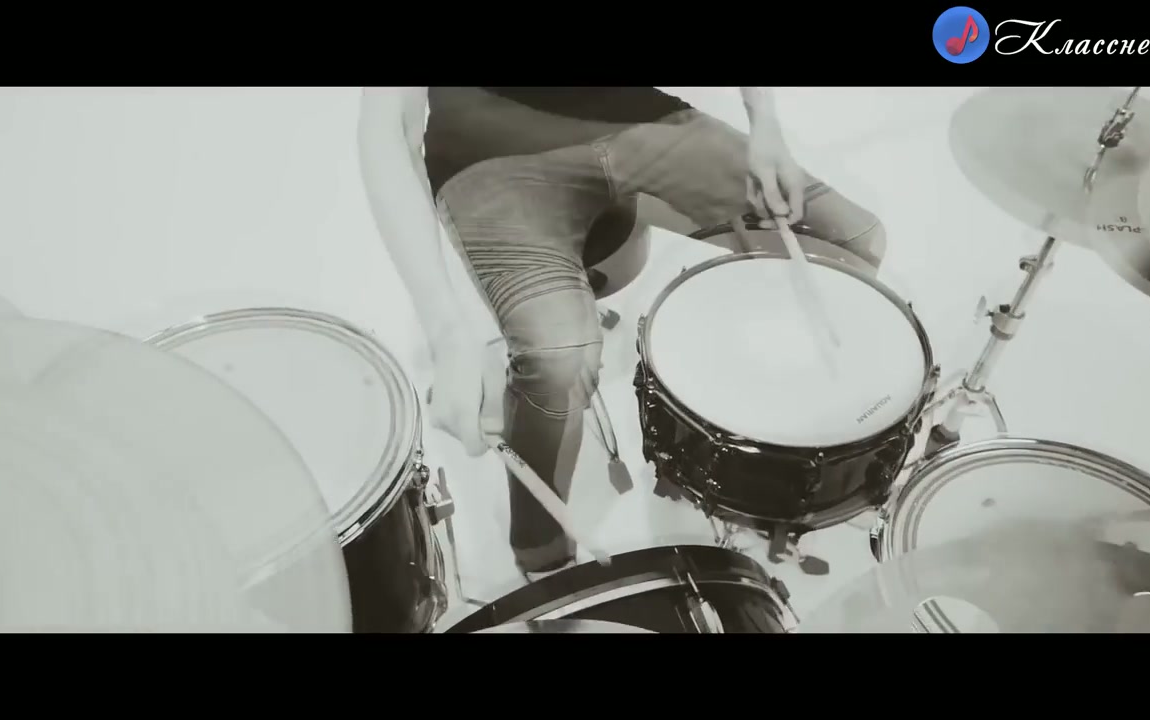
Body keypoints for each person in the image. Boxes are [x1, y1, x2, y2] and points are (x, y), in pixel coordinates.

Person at [358, 87, 885, 580]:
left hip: (634, 113)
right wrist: (447, 336)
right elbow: (386, 129)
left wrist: (765, 123)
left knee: (851, 242)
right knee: (558, 358)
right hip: (487, 151)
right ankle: (542, 550)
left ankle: (764, 445)